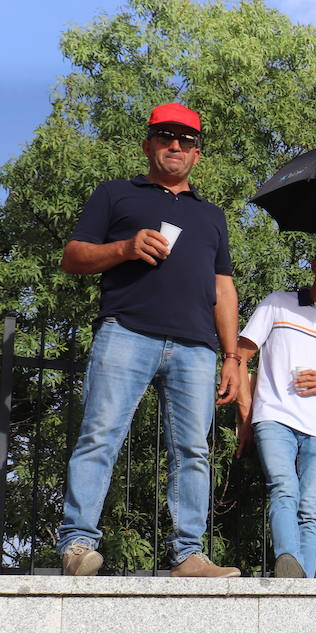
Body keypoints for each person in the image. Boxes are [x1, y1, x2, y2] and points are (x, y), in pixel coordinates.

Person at [56, 103, 240, 577]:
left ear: (198, 154)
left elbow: (223, 288)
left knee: (194, 450)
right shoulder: (116, 194)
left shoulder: (211, 216)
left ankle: (188, 554)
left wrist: (233, 356)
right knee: (100, 436)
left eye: (187, 139)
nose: (175, 145)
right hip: (126, 332)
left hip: (196, 346)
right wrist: (124, 247)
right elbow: (73, 256)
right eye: (165, 136)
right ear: (148, 143)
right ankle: (77, 545)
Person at [235, 238, 316, 578]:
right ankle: (287, 561)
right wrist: (245, 415)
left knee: (310, 507)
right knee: (284, 487)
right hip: (274, 416)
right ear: (313, 265)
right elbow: (240, 356)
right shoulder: (277, 304)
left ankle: (303, 584)